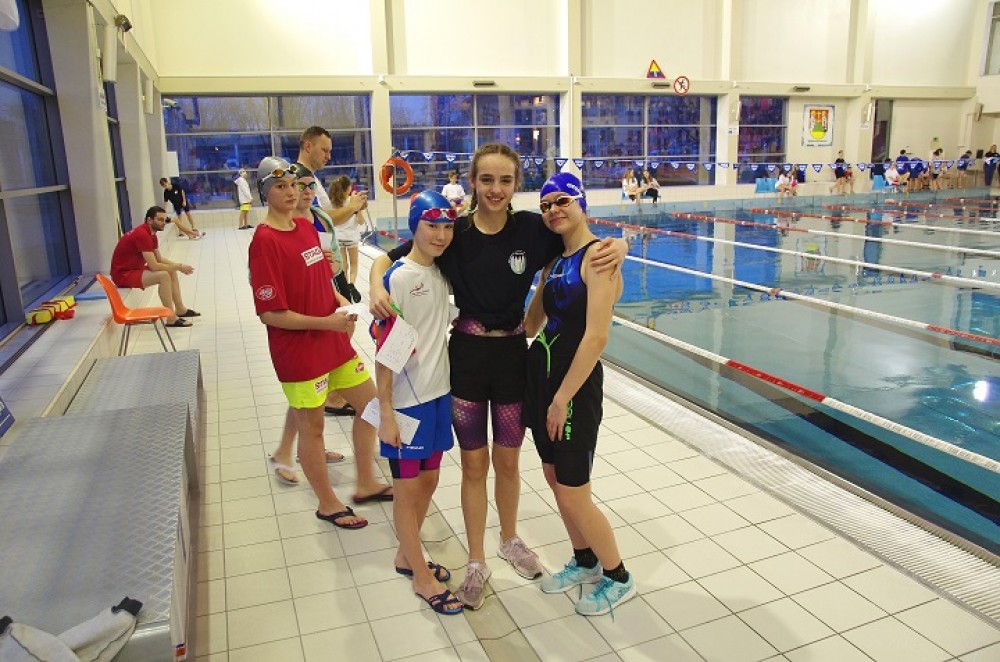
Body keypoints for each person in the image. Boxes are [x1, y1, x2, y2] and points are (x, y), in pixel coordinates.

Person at [369, 143, 626, 610]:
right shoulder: (455, 232)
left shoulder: (532, 228)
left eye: (505, 180)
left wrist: (620, 245)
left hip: (512, 358)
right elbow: (391, 258)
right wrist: (373, 286)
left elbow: (580, 241)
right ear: (473, 182)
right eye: (486, 180)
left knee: (508, 462)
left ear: (515, 185)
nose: (495, 189)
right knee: (473, 466)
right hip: (466, 358)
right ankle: (476, 560)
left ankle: (510, 539)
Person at [248, 156, 385, 532]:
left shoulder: (306, 227)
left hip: (331, 341)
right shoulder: (265, 241)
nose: (291, 192)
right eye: (280, 187)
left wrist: (340, 302)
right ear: (265, 193)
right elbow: (270, 313)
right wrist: (326, 322)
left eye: (293, 185)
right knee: (313, 429)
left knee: (371, 406)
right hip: (299, 353)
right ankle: (327, 503)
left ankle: (366, 481)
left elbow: (321, 278)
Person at [523, 172, 635, 616]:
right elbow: (531, 325)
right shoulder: (555, 261)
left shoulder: (599, 257)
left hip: (573, 389)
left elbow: (597, 336)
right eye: (545, 204)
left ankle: (618, 576)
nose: (553, 210)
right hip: (543, 379)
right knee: (554, 478)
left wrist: (562, 398)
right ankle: (585, 559)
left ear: (581, 203)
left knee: (573, 492)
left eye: (561, 201)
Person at [376, 190, 463, 616]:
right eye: (432, 226)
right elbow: (386, 352)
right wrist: (386, 413)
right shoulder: (398, 278)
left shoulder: (441, 271)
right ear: (415, 226)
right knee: (406, 491)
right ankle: (421, 576)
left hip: (438, 394)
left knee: (428, 482)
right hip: (406, 402)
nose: (441, 235)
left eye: (447, 227)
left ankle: (404, 555)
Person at [266, 164, 358, 484]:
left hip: (328, 312)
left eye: (307, 186)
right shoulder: (277, 231)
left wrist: (338, 292)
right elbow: (269, 293)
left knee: (313, 396)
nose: (301, 192)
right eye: (295, 185)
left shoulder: (317, 221)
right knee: (307, 397)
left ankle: (304, 448)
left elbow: (329, 267)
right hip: (306, 327)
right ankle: (288, 452)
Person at [292, 125, 367, 414]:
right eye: (324, 150)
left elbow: (321, 220)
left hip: (328, 266)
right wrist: (353, 206)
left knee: (344, 324)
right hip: (320, 268)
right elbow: (321, 220)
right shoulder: (298, 180)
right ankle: (330, 394)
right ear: (307, 146)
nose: (328, 156)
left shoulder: (310, 180)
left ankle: (331, 391)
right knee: (338, 328)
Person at [109, 205, 200, 328]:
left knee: (171, 271)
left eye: (164, 220)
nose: (164, 223)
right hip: (122, 275)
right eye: (160, 220)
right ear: (149, 220)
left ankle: (180, 309)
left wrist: (178, 266)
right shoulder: (142, 234)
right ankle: (171, 318)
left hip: (133, 269)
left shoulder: (151, 234)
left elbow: (159, 259)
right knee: (163, 276)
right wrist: (179, 267)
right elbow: (154, 266)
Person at [328, 175, 366, 303]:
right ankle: (351, 284)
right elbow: (360, 221)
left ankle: (343, 288)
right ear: (348, 188)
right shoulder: (353, 202)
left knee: (343, 265)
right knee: (354, 264)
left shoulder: (333, 203)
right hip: (352, 238)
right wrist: (358, 210)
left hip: (339, 237)